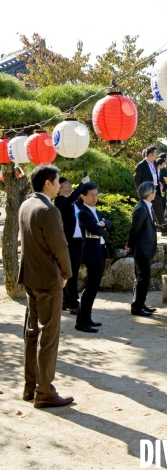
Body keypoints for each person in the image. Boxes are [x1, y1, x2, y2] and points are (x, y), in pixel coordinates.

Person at [18, 164, 74, 408]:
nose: (60, 184)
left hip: (30, 276)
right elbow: (60, 247)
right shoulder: (48, 210)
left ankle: (31, 386)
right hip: (48, 280)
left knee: (32, 333)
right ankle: (44, 391)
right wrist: (67, 273)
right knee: (48, 337)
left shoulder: (25, 205)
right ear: (48, 183)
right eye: (58, 180)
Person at [75, 182, 112, 333]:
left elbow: (108, 223)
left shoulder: (95, 211)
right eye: (91, 194)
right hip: (91, 252)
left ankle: (86, 317)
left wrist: (103, 224)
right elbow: (97, 229)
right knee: (90, 286)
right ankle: (81, 322)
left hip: (100, 250)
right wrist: (102, 225)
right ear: (83, 196)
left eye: (96, 194)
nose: (95, 197)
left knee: (94, 286)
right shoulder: (83, 212)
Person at [55, 174, 90, 314]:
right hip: (67, 242)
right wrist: (81, 185)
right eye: (66, 184)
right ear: (59, 189)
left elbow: (82, 199)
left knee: (72, 271)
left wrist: (86, 186)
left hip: (77, 241)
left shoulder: (74, 203)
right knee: (70, 273)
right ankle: (73, 302)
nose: (70, 185)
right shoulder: (59, 201)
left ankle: (64, 300)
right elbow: (70, 198)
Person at [126, 181, 158, 317]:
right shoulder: (141, 208)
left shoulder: (147, 206)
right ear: (150, 193)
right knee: (142, 278)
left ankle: (141, 303)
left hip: (146, 248)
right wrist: (129, 245)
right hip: (141, 249)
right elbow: (134, 229)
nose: (155, 193)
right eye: (154, 191)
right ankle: (137, 307)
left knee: (144, 278)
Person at [134, 145, 167, 237]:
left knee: (159, 210)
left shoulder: (154, 164)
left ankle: (164, 230)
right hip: (146, 193)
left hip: (155, 191)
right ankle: (143, 231)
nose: (157, 155)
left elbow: (155, 176)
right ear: (150, 154)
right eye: (155, 153)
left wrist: (159, 183)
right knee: (145, 211)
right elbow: (137, 181)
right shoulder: (141, 165)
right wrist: (141, 193)